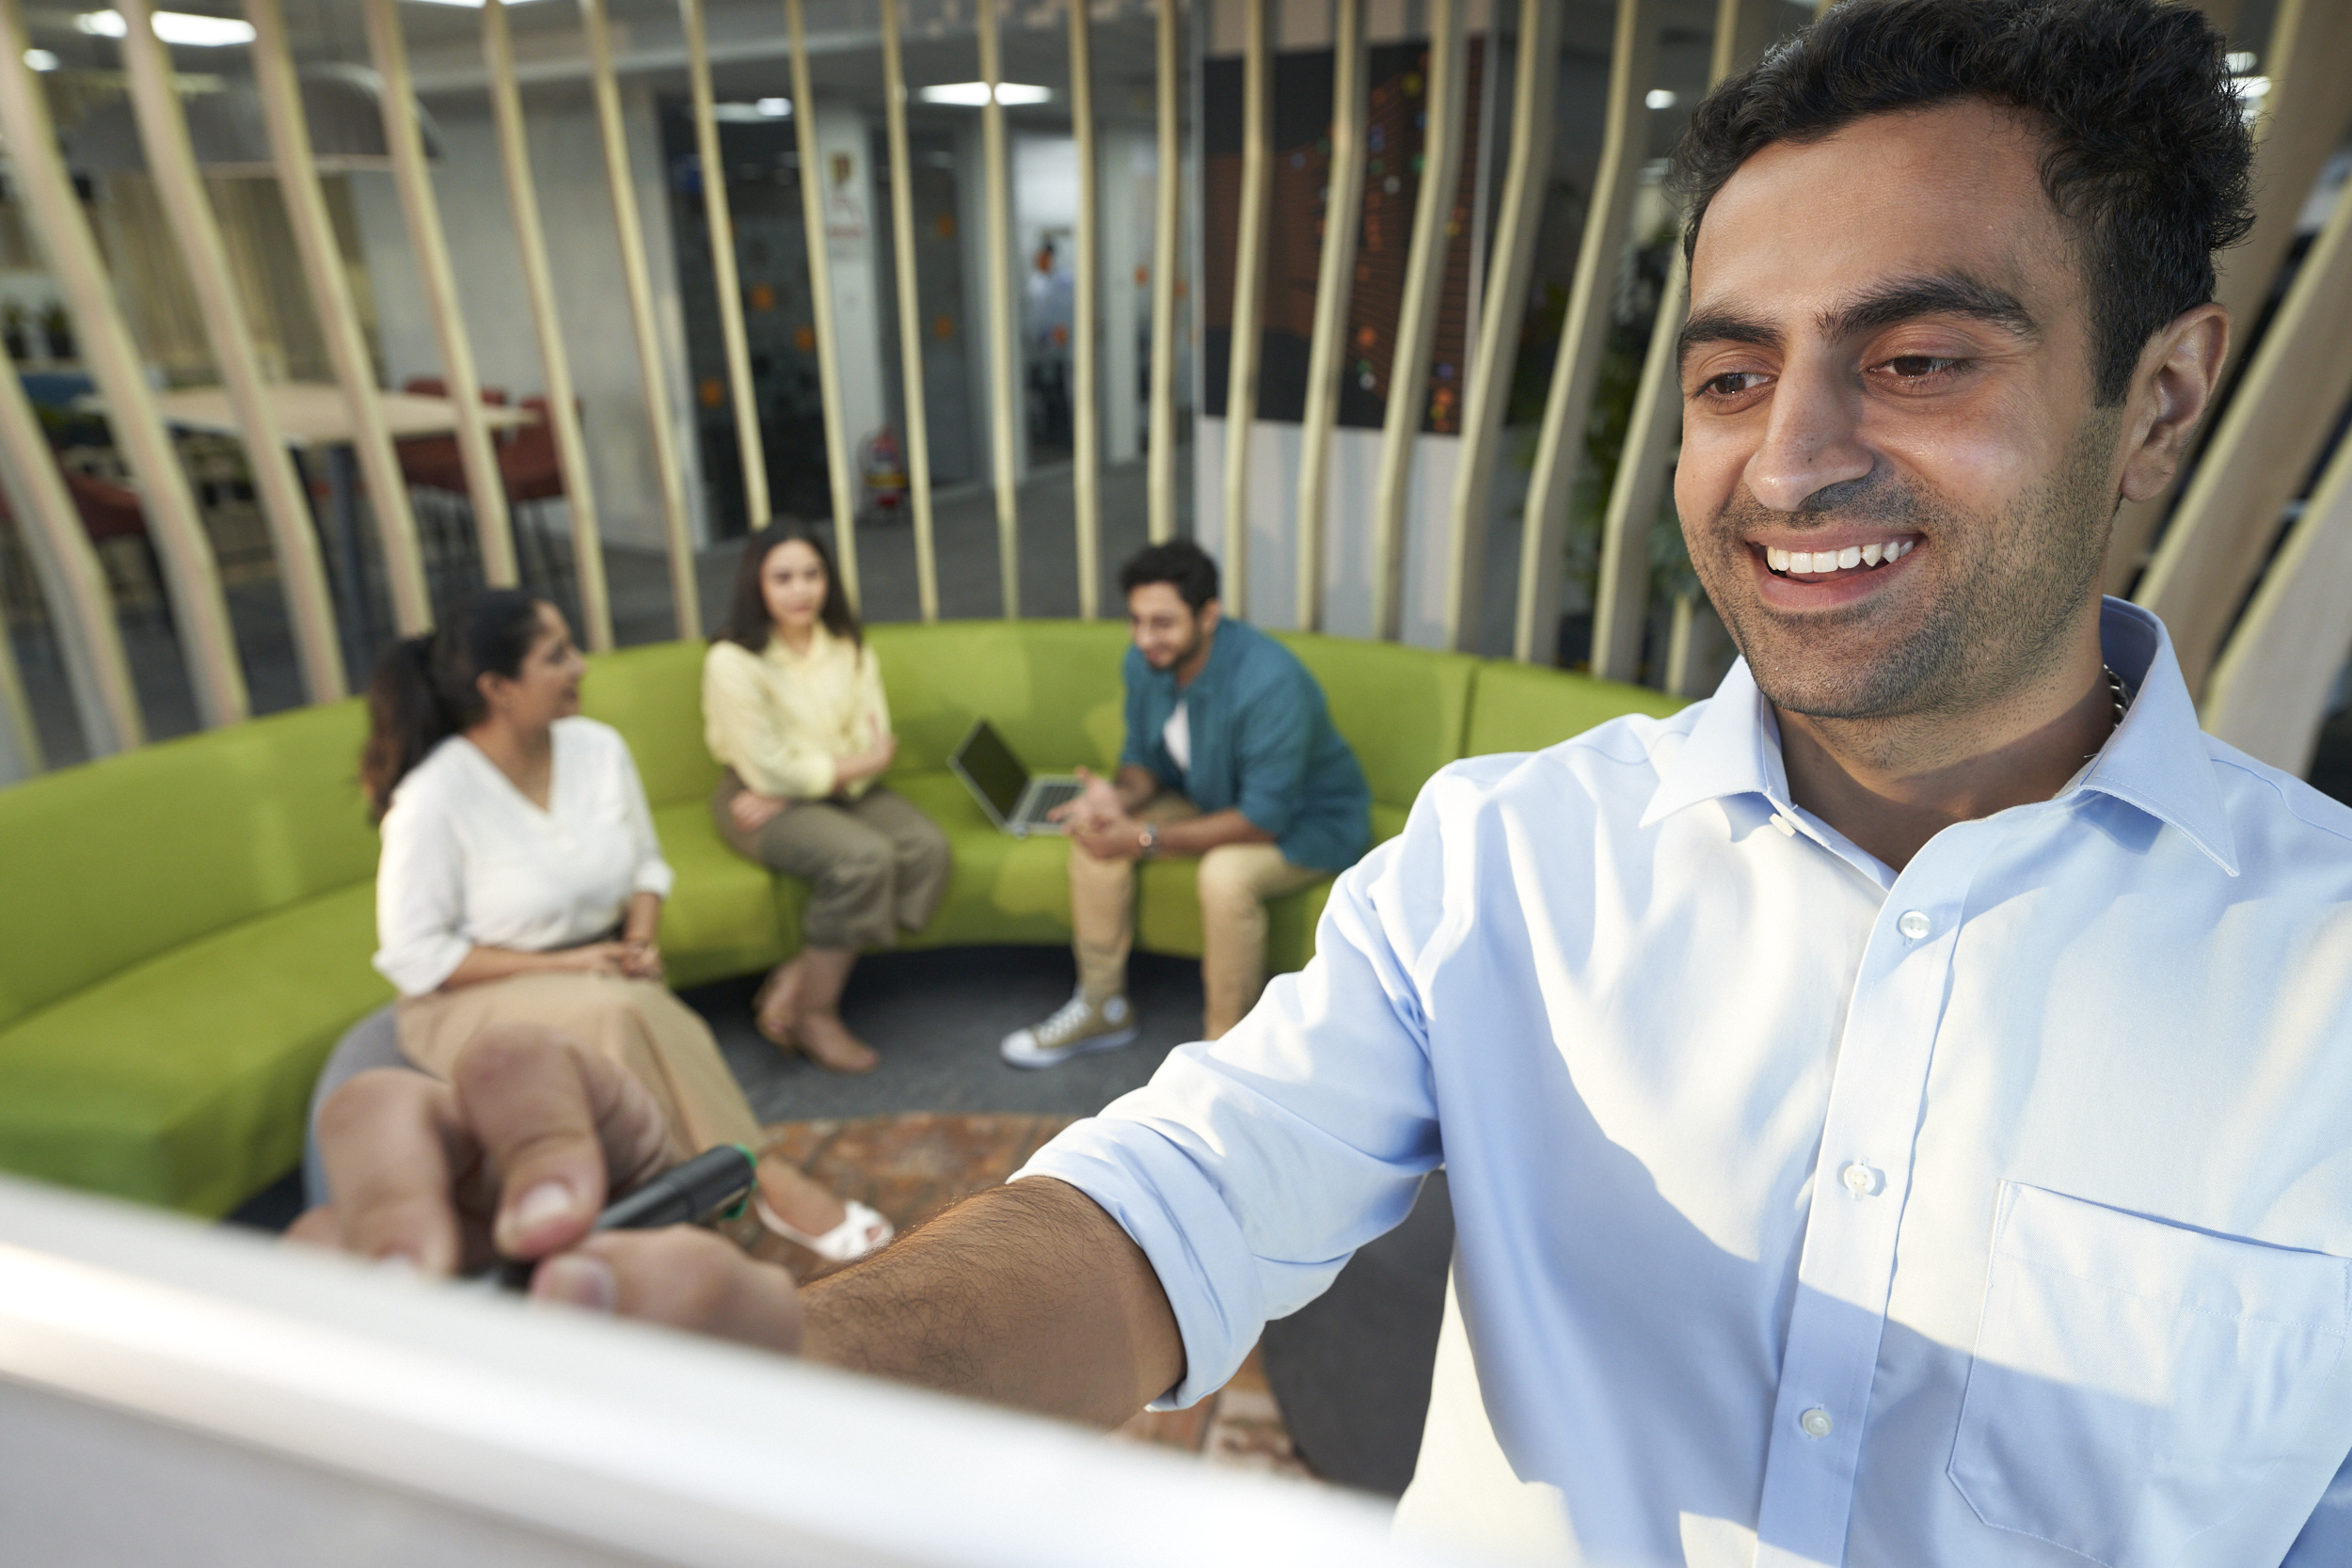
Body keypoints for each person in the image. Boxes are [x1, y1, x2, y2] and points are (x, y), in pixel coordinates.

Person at [309, 4, 2352, 1562]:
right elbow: (1163, 1206)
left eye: (1916, 358)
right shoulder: (1505, 863)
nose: (1787, 455)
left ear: (2154, 397)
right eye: (1730, 372)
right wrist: (796, 1365)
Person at [363, 589, 891, 1262]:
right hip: (463, 995)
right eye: (557, 655)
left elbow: (645, 864)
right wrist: (569, 966)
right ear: (497, 687)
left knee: (623, 1003)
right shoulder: (433, 797)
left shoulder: (597, 748)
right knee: (618, 1011)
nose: (581, 665)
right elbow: (415, 953)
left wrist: (639, 942)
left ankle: (691, 1205)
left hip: (602, 965)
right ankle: (758, 1177)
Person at [1000, 539, 1371, 1065]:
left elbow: (1263, 818)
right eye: (1136, 621)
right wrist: (1117, 798)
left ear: (1209, 616)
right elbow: (1142, 762)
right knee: (1096, 837)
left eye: (1163, 623)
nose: (1144, 638)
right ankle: (1103, 1007)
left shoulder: (1270, 683)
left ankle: (1226, 1050)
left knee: (1224, 877)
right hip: (1212, 796)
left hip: (1306, 824)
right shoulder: (1146, 663)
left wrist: (1147, 836)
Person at [704, 521, 950, 1074]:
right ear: (757, 584)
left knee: (927, 850)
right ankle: (816, 1013)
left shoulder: (846, 644)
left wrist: (799, 784)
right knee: (864, 860)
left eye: (812, 574)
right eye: (783, 577)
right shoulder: (732, 660)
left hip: (824, 790)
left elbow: (874, 738)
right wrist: (798, 782)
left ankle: (797, 974)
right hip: (751, 801)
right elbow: (767, 766)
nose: (801, 590)